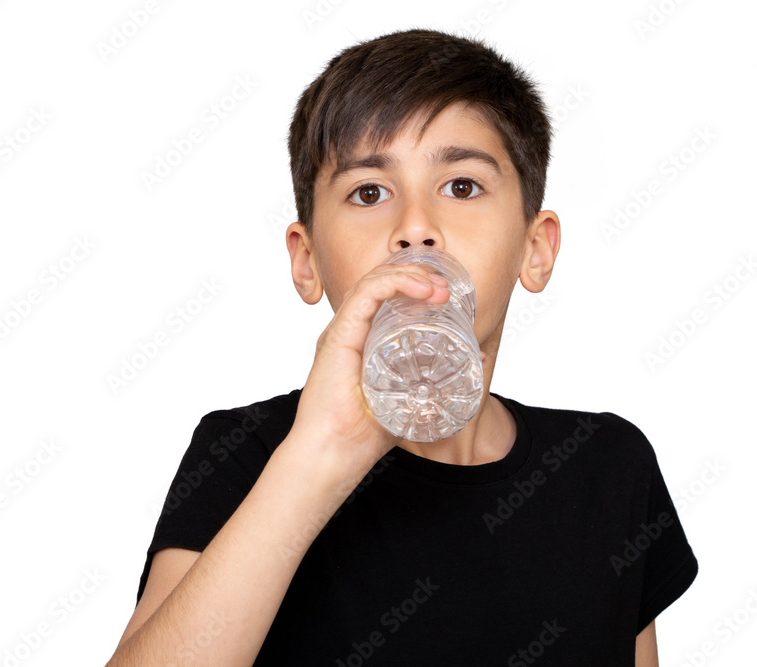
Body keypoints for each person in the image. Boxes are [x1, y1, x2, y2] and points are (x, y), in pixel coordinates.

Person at [107, 27, 698, 666]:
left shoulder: (608, 468)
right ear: (307, 261)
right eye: (369, 193)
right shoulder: (247, 455)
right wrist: (320, 454)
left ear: (536, 249)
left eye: (462, 186)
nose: (416, 229)